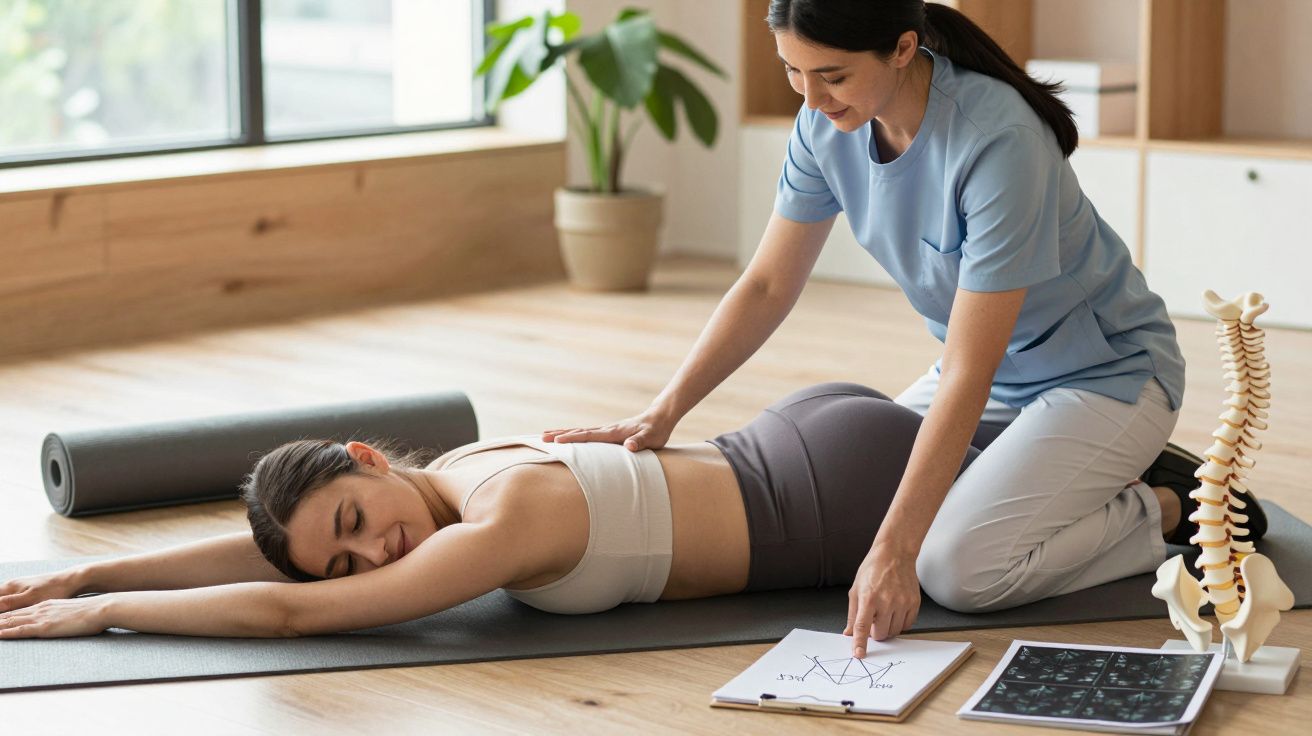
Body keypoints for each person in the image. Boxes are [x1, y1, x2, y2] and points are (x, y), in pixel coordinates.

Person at [540, 0, 1265, 659]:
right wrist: (662, 412)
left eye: (831, 76)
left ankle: (1161, 503)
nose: (812, 100)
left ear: (901, 48)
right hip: (988, 372)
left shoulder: (995, 140)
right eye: (792, 73)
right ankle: (1066, 477)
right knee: (867, 508)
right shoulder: (826, 127)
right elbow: (765, 284)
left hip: (1105, 376)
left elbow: (971, 369)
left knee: (954, 566)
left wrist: (896, 551)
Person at [0, 383, 1222, 639]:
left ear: (371, 458)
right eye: (349, 559)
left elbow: (283, 612)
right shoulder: (461, 464)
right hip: (803, 434)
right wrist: (79, 577)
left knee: (967, 564)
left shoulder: (503, 519)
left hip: (828, 489)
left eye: (356, 520)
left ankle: (1150, 502)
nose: (373, 555)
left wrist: (112, 623)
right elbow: (273, 561)